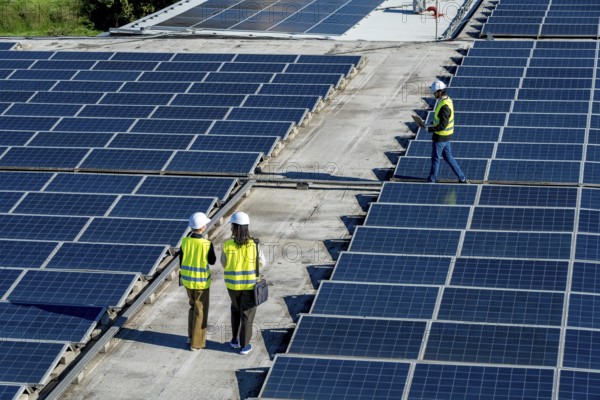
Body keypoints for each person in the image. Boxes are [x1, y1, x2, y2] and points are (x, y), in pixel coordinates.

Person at [221, 211, 266, 355]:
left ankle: (234, 340)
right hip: (249, 286)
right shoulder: (254, 245)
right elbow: (262, 263)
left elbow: (224, 263)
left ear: (233, 227)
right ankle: (244, 346)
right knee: (247, 315)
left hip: (232, 286)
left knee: (235, 310)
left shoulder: (227, 245)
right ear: (247, 227)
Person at [180, 212, 216, 351]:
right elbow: (212, 261)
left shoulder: (185, 242)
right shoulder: (206, 244)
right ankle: (197, 343)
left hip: (188, 282)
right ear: (202, 227)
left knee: (192, 307)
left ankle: (190, 336)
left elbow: (182, 260)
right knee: (200, 311)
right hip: (201, 283)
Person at [427, 80, 468, 184]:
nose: (433, 94)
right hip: (446, 136)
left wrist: (429, 129)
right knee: (448, 157)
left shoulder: (444, 106)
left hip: (441, 137)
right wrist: (430, 124)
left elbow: (442, 125)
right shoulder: (447, 100)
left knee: (435, 159)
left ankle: (432, 180)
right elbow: (440, 120)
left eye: (434, 92)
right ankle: (462, 177)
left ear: (440, 91)